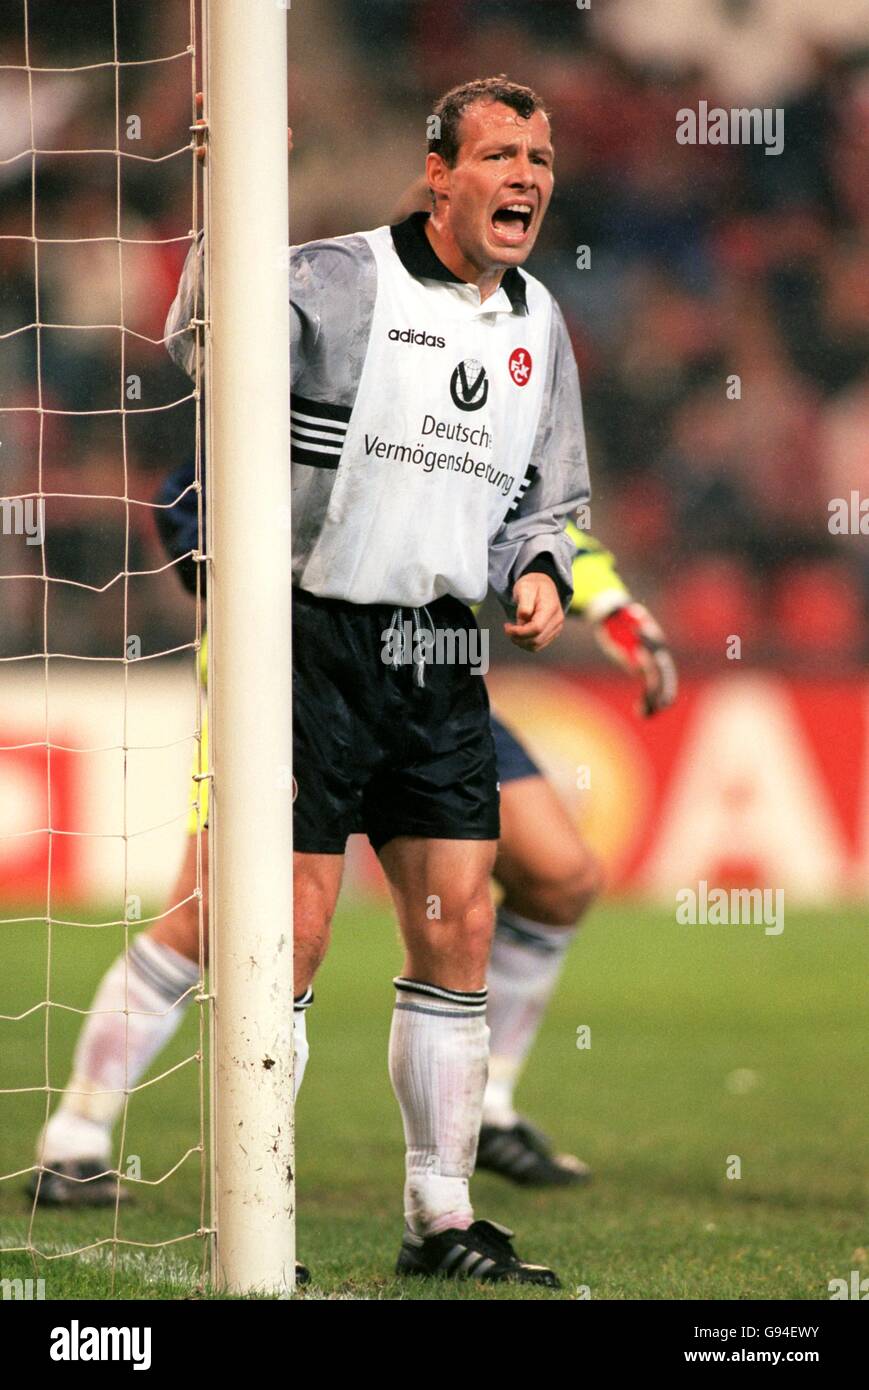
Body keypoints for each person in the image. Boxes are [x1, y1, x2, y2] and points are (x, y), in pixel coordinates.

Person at [32, 77, 591, 1288]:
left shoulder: (537, 321)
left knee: (460, 927)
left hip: (440, 653)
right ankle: (252, 1193)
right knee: (281, 926)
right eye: (501, 154)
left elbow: (550, 498)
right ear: (437, 170)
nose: (528, 177)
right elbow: (197, 345)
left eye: (539, 157)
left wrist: (538, 568)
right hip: (302, 635)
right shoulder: (335, 277)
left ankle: (439, 1218)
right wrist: (229, 196)